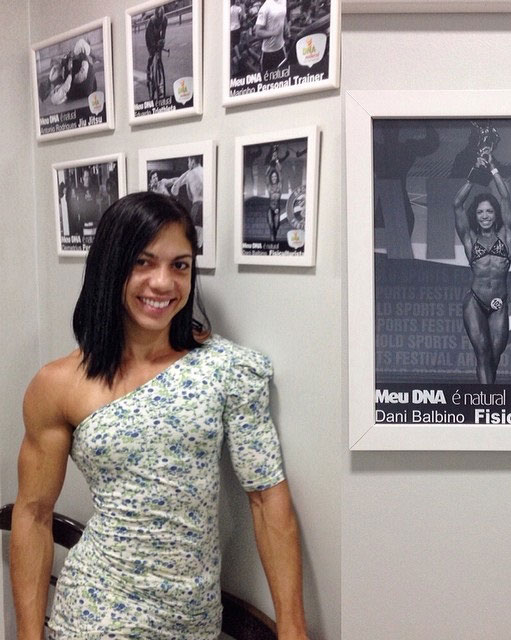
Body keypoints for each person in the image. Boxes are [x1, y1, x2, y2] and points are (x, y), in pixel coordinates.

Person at [10, 192, 310, 639]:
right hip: (95, 611)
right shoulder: (58, 384)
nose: (163, 283)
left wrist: (293, 628)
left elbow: (267, 500)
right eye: (144, 262)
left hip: (194, 619)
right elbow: (33, 514)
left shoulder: (227, 369)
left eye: (180, 265)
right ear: (112, 267)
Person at [453, 155, 511, 384]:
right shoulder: (470, 240)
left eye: (489, 211)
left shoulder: (507, 235)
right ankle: (486, 405)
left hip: (499, 303)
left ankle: (487, 398)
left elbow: (506, 197)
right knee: (482, 355)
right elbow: (457, 204)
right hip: (475, 302)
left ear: (495, 214)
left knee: (494, 358)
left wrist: (492, 169)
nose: (485, 216)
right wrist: (473, 175)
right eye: (480, 212)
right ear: (475, 216)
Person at [171, 157, 204, 250]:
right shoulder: (206, 171)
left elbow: (174, 189)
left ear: (192, 161)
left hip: (197, 206)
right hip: (209, 208)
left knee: (195, 244)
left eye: (188, 162)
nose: (187, 164)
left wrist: (186, 173)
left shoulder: (190, 174)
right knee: (202, 242)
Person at [254, 0, 288, 74]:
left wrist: (286, 25)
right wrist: (274, 33)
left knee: (284, 78)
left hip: (281, 48)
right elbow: (258, 32)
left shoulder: (284, 1)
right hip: (268, 53)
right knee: (268, 81)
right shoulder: (265, 8)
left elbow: (283, 15)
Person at [145, 5, 168, 83]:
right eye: (158, 20)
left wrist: (162, 41)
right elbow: (150, 37)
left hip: (157, 35)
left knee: (159, 56)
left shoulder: (165, 19)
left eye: (160, 20)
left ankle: (159, 78)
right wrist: (154, 46)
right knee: (152, 54)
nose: (159, 22)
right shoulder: (151, 21)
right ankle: (148, 73)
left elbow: (163, 33)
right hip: (149, 36)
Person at [266, 168, 282, 242]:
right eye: (272, 176)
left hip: (277, 209)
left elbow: (280, 171)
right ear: (271, 178)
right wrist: (270, 165)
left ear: (277, 177)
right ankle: (273, 243)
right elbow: (266, 175)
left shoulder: (279, 185)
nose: (274, 178)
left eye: (275, 176)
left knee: (276, 226)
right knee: (271, 227)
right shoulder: (269, 186)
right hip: (270, 209)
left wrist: (277, 161)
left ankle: (273, 240)